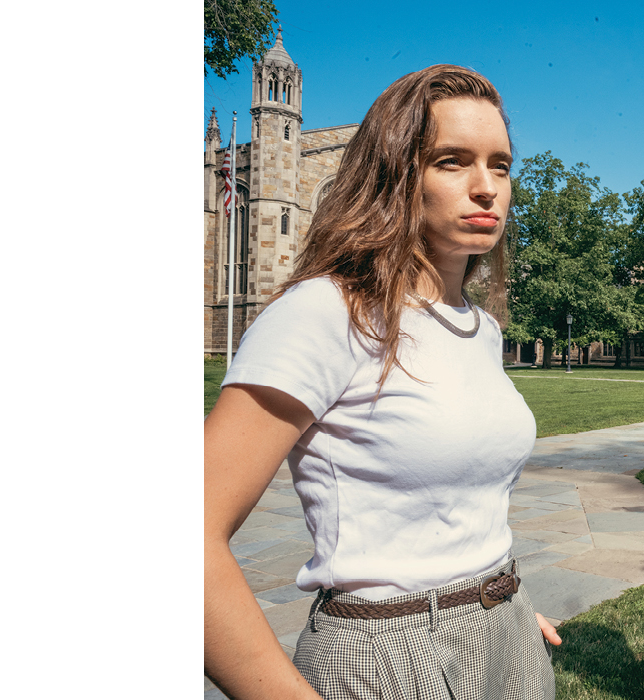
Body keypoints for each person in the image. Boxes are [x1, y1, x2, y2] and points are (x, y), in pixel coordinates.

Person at [203, 65, 559, 700]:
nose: (487, 188)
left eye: (500, 166)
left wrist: (490, 611)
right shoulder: (325, 313)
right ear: (398, 174)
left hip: (501, 635)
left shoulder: (479, 327)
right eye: (453, 161)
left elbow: (454, 506)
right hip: (383, 656)